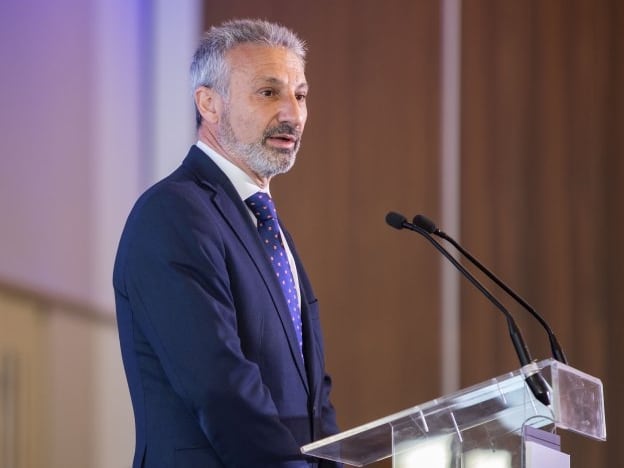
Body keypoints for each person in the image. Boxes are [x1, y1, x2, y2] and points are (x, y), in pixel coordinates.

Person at [113, 18, 341, 468]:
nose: (292, 115)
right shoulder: (173, 215)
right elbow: (220, 388)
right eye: (268, 92)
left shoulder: (268, 228)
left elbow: (317, 400)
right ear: (209, 104)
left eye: (300, 95)